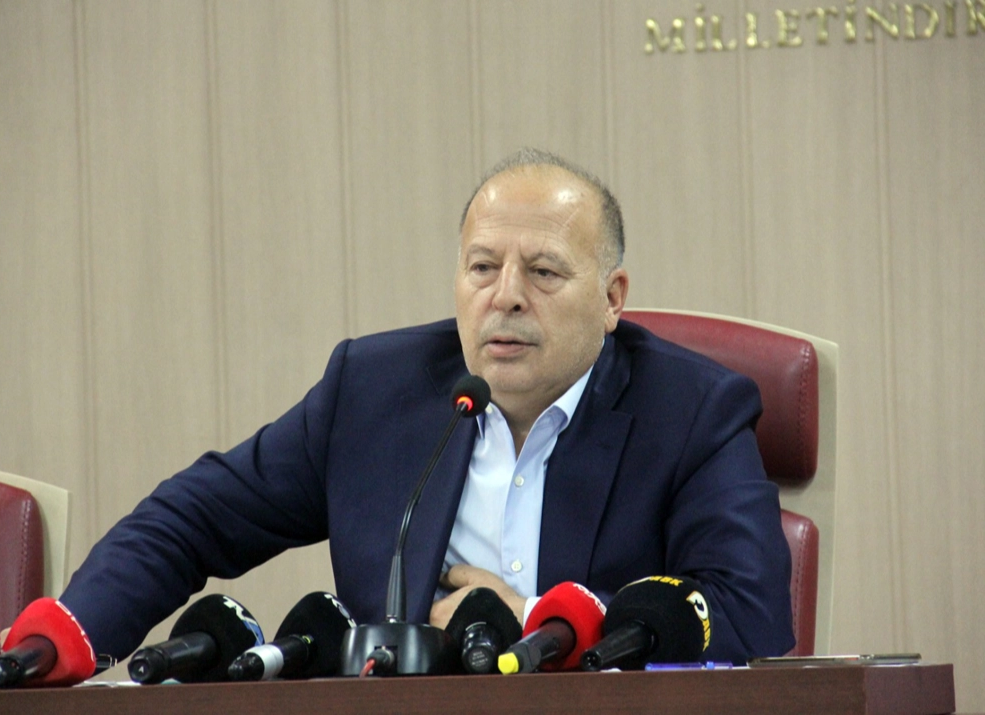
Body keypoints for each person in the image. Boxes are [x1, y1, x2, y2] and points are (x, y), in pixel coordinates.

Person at [59, 149, 794, 663]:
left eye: (543, 271)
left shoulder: (692, 411)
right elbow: (190, 519)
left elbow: (751, 614)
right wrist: (65, 639)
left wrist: (537, 620)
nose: (506, 296)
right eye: (483, 267)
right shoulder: (372, 392)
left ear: (611, 298)